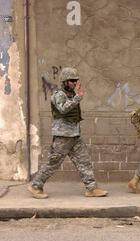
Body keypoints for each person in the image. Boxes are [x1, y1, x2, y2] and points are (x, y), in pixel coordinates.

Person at [28, 68, 108, 199]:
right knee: (53, 163)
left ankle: (91, 188)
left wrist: (76, 97)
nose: (74, 83)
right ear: (64, 81)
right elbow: (63, 109)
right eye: (72, 81)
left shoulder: (71, 94)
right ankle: (36, 186)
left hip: (74, 135)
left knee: (84, 161)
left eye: (76, 81)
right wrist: (78, 97)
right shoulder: (58, 94)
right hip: (63, 136)